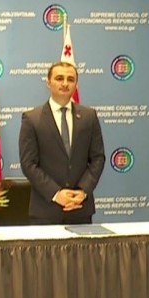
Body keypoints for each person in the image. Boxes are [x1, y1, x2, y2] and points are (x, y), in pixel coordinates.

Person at [18, 61, 106, 225]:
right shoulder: (32, 119)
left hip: (80, 209)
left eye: (70, 79)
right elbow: (28, 164)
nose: (65, 84)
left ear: (76, 84)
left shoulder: (89, 116)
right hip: (45, 211)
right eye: (59, 78)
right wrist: (56, 194)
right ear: (48, 82)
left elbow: (98, 158)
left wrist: (82, 191)